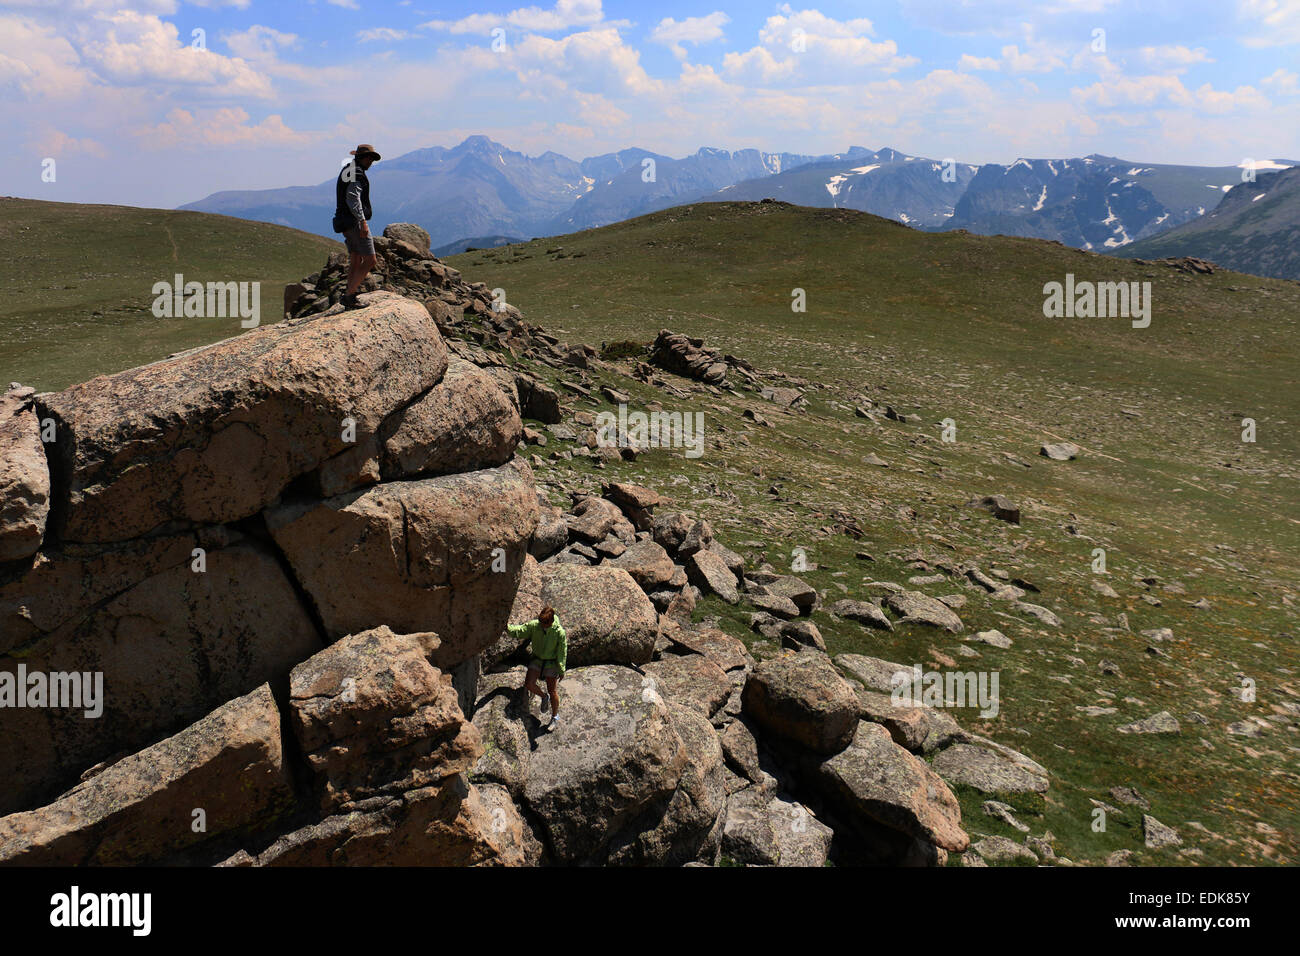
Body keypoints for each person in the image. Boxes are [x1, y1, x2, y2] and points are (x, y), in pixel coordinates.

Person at [332, 144, 381, 309]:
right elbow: (353, 198)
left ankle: (349, 294)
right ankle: (350, 295)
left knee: (355, 258)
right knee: (370, 260)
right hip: (354, 223)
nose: (372, 162)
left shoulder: (348, 170)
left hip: (343, 221)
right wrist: (362, 221)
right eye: (371, 158)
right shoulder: (357, 173)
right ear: (364, 158)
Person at [507, 605, 567, 730]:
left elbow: (562, 651)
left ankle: (554, 717)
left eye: (545, 623)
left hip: (551, 663)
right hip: (537, 660)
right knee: (529, 684)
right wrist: (506, 628)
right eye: (541, 622)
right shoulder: (535, 626)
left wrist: (561, 669)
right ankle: (544, 696)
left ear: (551, 621)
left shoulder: (559, 632)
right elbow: (520, 630)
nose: (542, 625)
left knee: (553, 691)